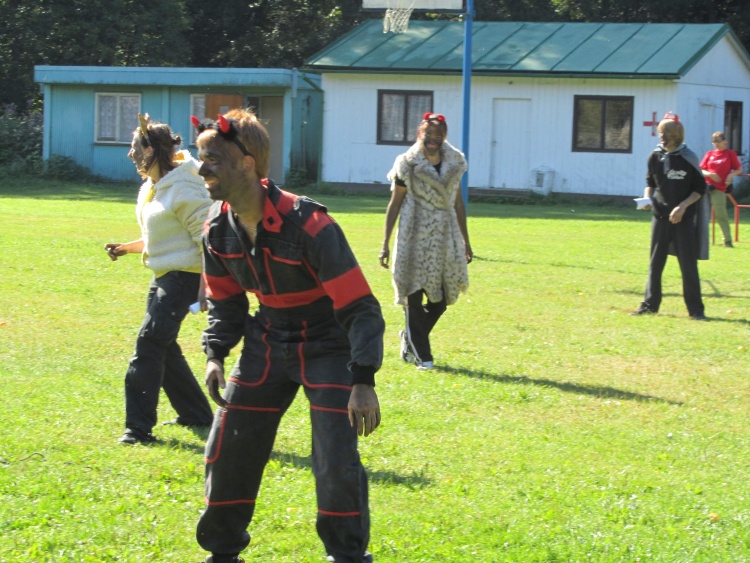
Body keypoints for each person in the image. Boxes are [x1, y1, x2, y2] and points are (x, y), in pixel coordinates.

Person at [193, 109, 383, 563]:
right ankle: (222, 553)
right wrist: (216, 354)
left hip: (328, 343)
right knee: (227, 445)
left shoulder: (311, 225)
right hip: (267, 339)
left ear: (247, 164)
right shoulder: (215, 230)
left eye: (213, 159)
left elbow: (360, 307)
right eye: (201, 158)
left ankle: (348, 557)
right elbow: (226, 303)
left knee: (334, 457)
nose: (201, 170)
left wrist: (363, 379)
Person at [105, 114, 214, 444]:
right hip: (167, 276)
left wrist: (207, 289)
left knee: (150, 343)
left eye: (134, 147)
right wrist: (127, 248)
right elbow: (163, 236)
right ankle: (196, 414)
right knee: (164, 345)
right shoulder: (154, 187)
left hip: (186, 279)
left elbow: (208, 241)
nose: (130, 154)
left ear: (150, 150)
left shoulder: (184, 188)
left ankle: (137, 430)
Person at [378, 112, 471, 371]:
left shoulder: (455, 162)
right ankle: (424, 358)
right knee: (413, 297)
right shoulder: (407, 163)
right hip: (413, 237)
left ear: (444, 136)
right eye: (428, 134)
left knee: (440, 300)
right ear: (421, 134)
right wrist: (385, 243)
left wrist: (466, 241)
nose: (432, 139)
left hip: (444, 238)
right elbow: (395, 203)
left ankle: (409, 337)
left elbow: (458, 203)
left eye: (437, 135)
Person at [632, 112, 709, 321]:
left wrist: (683, 206)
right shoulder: (655, 156)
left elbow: (700, 189)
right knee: (655, 264)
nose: (662, 136)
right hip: (660, 218)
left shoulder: (688, 157)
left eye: (666, 133)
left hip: (683, 219)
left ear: (677, 134)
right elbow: (650, 183)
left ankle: (696, 310)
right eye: (660, 132)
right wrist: (647, 198)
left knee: (688, 265)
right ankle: (650, 305)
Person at [700, 131, 742, 247]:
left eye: (718, 141)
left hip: (719, 188)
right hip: (706, 187)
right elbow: (700, 170)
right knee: (701, 214)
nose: (716, 144)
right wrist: (709, 174)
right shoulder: (709, 154)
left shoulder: (730, 154)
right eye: (714, 141)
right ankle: (699, 240)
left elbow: (739, 169)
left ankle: (727, 241)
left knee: (721, 215)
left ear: (725, 141)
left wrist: (731, 175)